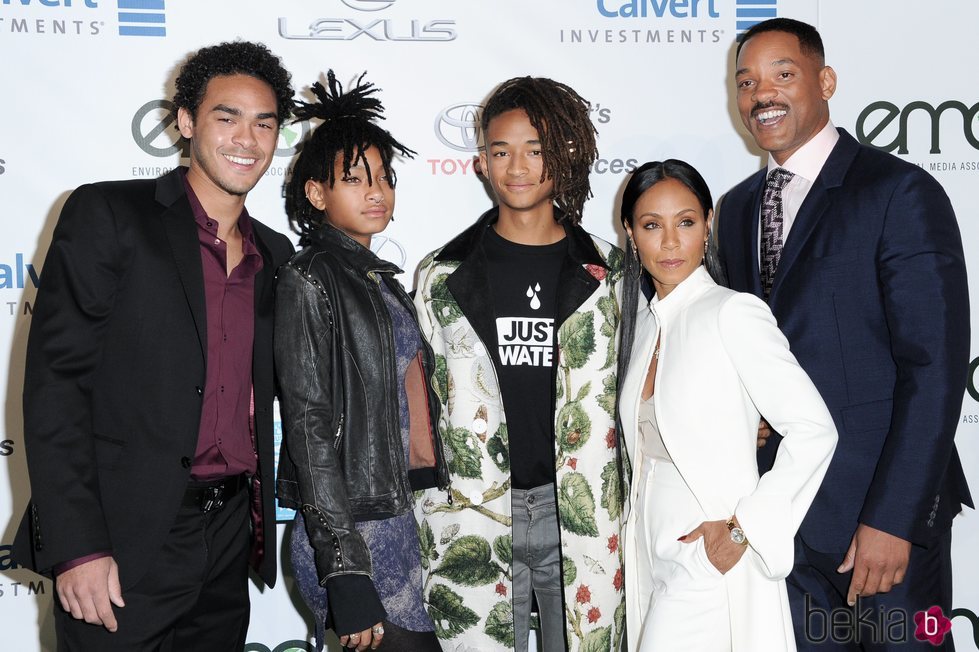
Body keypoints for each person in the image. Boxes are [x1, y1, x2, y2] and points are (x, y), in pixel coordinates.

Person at [12, 41, 295, 650]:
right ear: (186, 121)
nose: (247, 138)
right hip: (122, 534)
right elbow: (57, 386)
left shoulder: (276, 254)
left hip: (227, 540)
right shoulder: (109, 214)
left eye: (264, 123)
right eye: (227, 117)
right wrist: (79, 546)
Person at [718, 18, 972, 650]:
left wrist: (894, 520)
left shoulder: (899, 192)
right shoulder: (737, 209)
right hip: (784, 518)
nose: (761, 95)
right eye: (746, 82)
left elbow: (934, 368)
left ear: (825, 80)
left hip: (880, 521)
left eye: (783, 74)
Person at [413, 76, 629, 651]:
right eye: (501, 150)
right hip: (474, 512)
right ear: (481, 162)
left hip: (580, 515)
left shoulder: (610, 275)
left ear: (565, 153)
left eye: (535, 149)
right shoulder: (439, 275)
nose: (518, 166)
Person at [617, 158, 837, 651]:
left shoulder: (732, 312)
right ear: (631, 233)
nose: (671, 242)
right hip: (648, 553)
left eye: (686, 222)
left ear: (708, 224)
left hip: (707, 558)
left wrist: (742, 532)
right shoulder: (645, 326)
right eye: (652, 225)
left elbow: (813, 429)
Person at [274, 70, 447, 652]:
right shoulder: (310, 278)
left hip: (397, 521)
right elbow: (309, 427)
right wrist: (345, 569)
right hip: (352, 535)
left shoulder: (379, 282)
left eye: (383, 178)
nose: (376, 192)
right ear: (317, 194)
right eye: (354, 180)